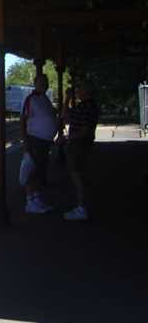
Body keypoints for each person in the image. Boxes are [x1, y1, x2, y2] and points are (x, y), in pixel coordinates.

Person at [20, 73, 57, 214]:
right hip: (35, 139)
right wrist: (25, 142)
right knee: (31, 170)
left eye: (46, 82)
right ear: (35, 83)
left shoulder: (45, 98)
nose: (45, 84)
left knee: (38, 170)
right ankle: (30, 201)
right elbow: (23, 120)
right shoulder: (31, 99)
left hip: (44, 141)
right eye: (42, 82)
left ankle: (36, 199)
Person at [62, 84, 99, 221]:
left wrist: (67, 138)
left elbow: (83, 130)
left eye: (79, 89)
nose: (77, 91)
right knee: (79, 174)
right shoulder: (86, 105)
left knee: (77, 175)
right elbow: (66, 117)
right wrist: (68, 99)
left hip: (79, 145)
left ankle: (81, 207)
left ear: (86, 91)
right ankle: (81, 205)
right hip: (82, 144)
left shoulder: (86, 107)